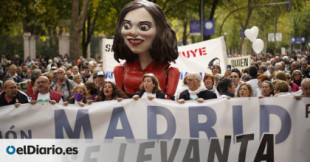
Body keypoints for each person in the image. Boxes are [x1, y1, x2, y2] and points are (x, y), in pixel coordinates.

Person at [112, 0, 179, 98]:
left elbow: (169, 101)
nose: (132, 33)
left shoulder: (170, 71)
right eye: (126, 26)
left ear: (159, 30)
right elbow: (119, 98)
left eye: (143, 27)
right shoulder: (120, 70)